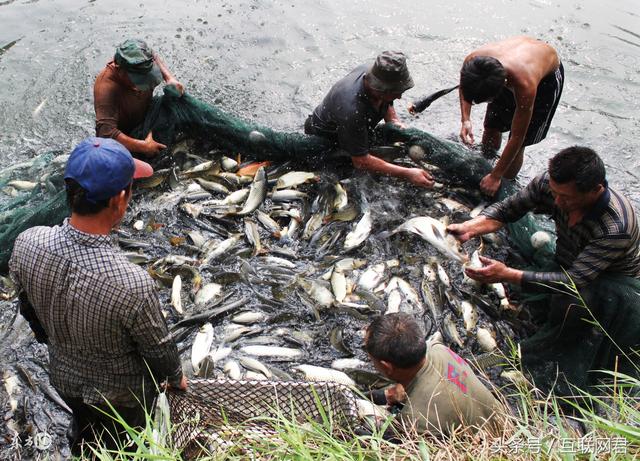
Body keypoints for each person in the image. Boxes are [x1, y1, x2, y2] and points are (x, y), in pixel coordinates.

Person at [9, 137, 187, 455]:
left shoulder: (27, 242)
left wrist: (50, 337)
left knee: (85, 426)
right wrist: (175, 377)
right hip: (121, 397)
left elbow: (27, 307)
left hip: (63, 376)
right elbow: (159, 349)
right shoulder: (131, 284)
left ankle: (83, 448)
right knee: (124, 444)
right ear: (120, 199)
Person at [447, 146, 640, 291]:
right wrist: (470, 227)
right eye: (555, 193)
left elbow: (574, 281)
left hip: (609, 280)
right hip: (568, 258)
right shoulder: (549, 183)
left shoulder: (615, 229)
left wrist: (507, 274)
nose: (556, 201)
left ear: (596, 190)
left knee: (573, 305)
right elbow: (509, 209)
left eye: (566, 197)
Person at [305, 51, 434, 188]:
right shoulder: (352, 109)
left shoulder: (376, 72)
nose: (399, 98)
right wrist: (407, 173)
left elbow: (387, 99)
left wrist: (393, 120)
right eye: (397, 93)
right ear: (380, 89)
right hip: (326, 136)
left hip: (356, 125)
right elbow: (360, 161)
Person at [364, 313, 503, 436]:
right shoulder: (437, 348)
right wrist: (388, 395)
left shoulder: (416, 419)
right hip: (505, 422)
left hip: (490, 445)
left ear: (385, 366)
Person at [458, 36, 564, 196]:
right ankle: (487, 161)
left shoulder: (525, 84)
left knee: (520, 143)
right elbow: (464, 89)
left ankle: (504, 184)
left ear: (503, 85)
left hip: (545, 80)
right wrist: (465, 120)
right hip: (509, 64)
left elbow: (517, 136)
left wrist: (496, 176)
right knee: (492, 126)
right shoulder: (473, 62)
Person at [94, 38, 184, 157]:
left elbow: (152, 55)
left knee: (178, 103)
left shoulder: (143, 59)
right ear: (119, 70)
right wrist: (143, 146)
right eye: (136, 79)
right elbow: (106, 133)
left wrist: (169, 78)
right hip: (127, 136)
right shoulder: (106, 87)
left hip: (147, 115)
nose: (138, 88)